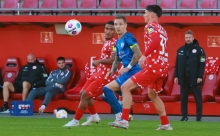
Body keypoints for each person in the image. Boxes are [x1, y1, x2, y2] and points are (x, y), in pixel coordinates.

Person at [108, 5, 172, 130]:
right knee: (153, 94)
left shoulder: (150, 26)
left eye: (145, 13)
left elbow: (155, 40)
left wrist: (145, 55)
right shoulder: (162, 29)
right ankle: (165, 123)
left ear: (152, 15)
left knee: (125, 87)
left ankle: (124, 120)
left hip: (153, 66)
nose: (143, 15)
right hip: (163, 66)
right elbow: (159, 40)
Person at [63, 21, 118, 127]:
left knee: (85, 95)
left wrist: (99, 61)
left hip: (105, 76)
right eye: (106, 29)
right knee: (82, 93)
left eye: (111, 29)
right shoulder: (107, 42)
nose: (108, 31)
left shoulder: (114, 43)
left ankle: (75, 121)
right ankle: (94, 115)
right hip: (98, 73)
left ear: (115, 31)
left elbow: (113, 60)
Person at [102, 15, 142, 127]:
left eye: (120, 24)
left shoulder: (129, 37)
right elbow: (117, 59)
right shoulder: (118, 42)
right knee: (106, 94)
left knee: (107, 89)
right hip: (128, 72)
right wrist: (112, 70)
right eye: (116, 24)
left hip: (134, 71)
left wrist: (127, 67)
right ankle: (124, 116)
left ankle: (121, 117)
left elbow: (138, 54)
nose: (118, 27)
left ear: (125, 25)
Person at [174, 30, 206, 121]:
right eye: (186, 37)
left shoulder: (200, 50)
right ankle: (184, 116)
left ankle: (198, 117)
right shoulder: (180, 50)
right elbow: (177, 64)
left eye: (189, 37)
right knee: (183, 100)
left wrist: (200, 76)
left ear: (193, 38)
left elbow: (202, 64)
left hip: (195, 79)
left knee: (198, 99)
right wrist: (176, 76)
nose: (188, 39)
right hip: (183, 78)